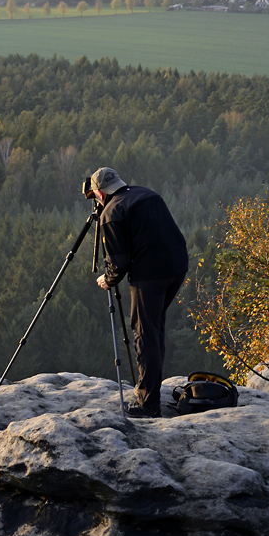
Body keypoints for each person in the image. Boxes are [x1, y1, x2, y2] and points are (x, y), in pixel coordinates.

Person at [91, 167, 188, 419]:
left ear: (99, 193)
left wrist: (108, 279)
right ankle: (150, 390)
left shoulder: (112, 213)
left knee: (144, 333)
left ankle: (148, 404)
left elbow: (119, 263)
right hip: (176, 267)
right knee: (154, 328)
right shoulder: (147, 194)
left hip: (150, 275)